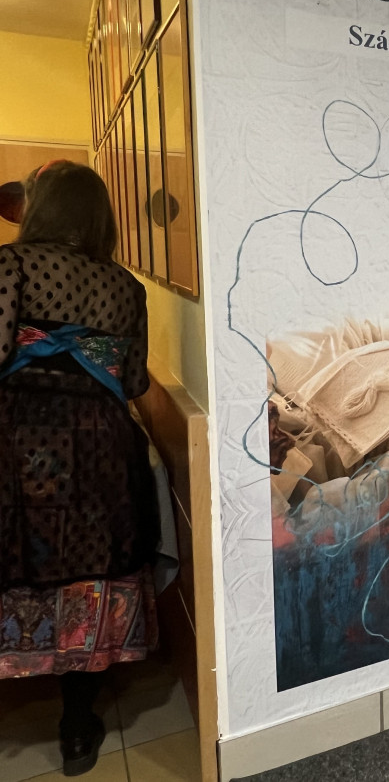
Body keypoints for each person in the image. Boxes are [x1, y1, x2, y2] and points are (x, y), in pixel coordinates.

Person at [0, 161, 155, 776]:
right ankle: (76, 728)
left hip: (17, 439)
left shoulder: (11, 265)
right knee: (89, 566)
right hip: (98, 447)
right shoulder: (127, 288)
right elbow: (135, 381)